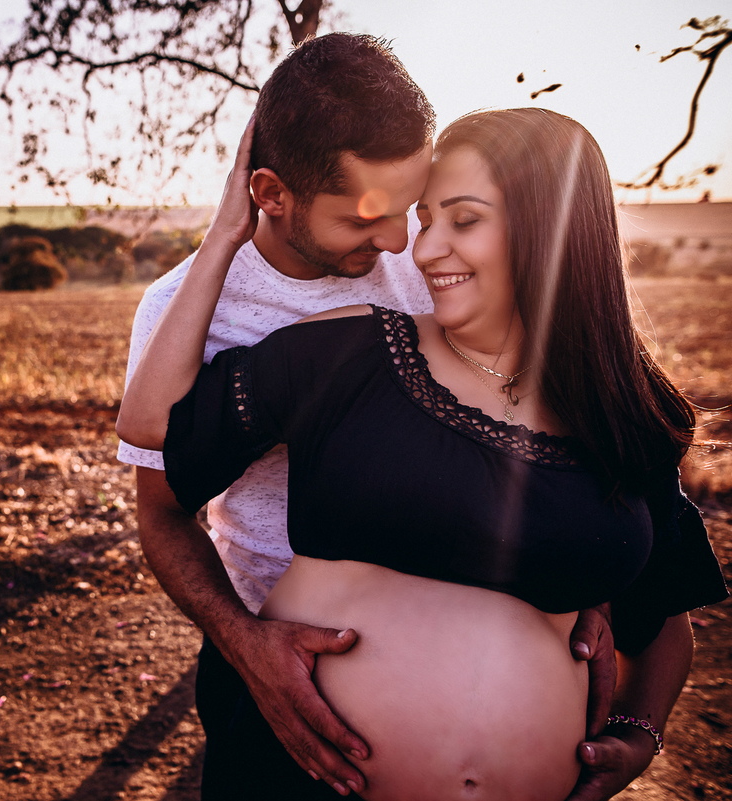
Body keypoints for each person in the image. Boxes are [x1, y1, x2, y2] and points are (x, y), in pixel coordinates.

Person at [117, 106, 728, 800]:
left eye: (460, 220)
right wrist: (225, 235)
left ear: (554, 227)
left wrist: (640, 736)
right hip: (301, 777)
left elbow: (667, 617)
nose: (422, 248)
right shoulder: (347, 352)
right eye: (427, 218)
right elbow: (151, 427)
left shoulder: (619, 408)